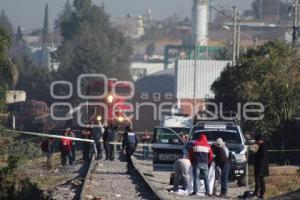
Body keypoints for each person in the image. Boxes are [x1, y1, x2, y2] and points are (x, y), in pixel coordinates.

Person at [253, 133, 269, 199]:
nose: (256, 142)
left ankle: (257, 193)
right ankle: (261, 193)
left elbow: (260, 157)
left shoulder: (262, 147)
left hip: (260, 167)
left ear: (259, 140)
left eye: (256, 141)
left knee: (258, 180)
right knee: (261, 180)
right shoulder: (264, 146)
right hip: (262, 167)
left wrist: (254, 154)